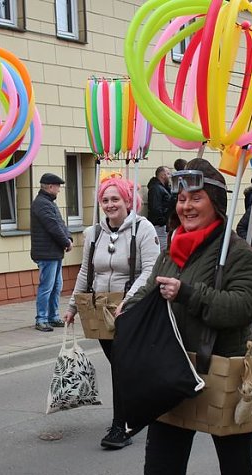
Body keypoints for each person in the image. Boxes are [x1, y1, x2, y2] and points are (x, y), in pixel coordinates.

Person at [123, 158, 252, 475]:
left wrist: (188, 293)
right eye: (182, 198)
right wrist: (129, 312)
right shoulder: (172, 250)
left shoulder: (238, 254)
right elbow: (149, 292)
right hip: (171, 374)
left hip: (224, 374)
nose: (186, 206)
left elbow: (244, 305)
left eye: (196, 198)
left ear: (217, 203)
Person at [63, 173, 160, 449]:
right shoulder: (93, 233)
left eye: (115, 198)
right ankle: (142, 407)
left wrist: (129, 300)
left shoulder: (143, 229)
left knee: (121, 367)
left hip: (131, 308)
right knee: (123, 367)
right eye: (105, 199)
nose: (109, 204)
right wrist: (72, 306)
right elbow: (85, 272)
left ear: (128, 200)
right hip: (101, 311)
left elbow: (152, 269)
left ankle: (122, 426)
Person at [30, 173, 72, 332]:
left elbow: (60, 223)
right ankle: (41, 319)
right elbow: (53, 226)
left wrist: (68, 238)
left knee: (56, 286)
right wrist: (66, 241)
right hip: (46, 253)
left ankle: (53, 316)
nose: (59, 190)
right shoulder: (42, 204)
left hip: (53, 252)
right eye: (57, 187)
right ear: (50, 187)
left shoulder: (48, 203)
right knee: (47, 286)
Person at [146, 166, 172, 251]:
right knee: (163, 250)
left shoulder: (162, 188)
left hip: (163, 225)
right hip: (160, 225)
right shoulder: (156, 188)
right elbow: (155, 208)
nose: (170, 176)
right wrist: (163, 221)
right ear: (162, 175)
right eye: (168, 174)